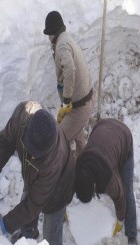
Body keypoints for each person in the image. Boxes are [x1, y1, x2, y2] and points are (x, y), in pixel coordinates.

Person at [0, 101, 75, 245]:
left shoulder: (53, 162)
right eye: (29, 149)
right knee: (27, 203)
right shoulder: (23, 115)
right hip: (34, 176)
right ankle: (28, 237)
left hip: (59, 189)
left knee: (51, 236)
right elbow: (6, 141)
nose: (30, 155)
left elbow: (32, 205)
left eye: (35, 155)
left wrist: (0, 227)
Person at [73, 118, 138, 245]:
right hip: (102, 127)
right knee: (113, 163)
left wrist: (120, 220)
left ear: (94, 184)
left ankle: (132, 235)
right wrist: (64, 211)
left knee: (126, 191)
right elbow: (69, 186)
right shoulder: (78, 167)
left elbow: (120, 198)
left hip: (123, 137)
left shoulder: (109, 179)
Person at [43, 11, 94, 156]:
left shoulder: (62, 46)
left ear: (53, 32)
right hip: (83, 101)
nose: (48, 38)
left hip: (79, 107)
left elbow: (70, 69)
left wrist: (66, 101)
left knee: (58, 142)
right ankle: (83, 162)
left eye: (48, 34)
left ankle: (64, 172)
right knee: (78, 137)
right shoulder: (66, 38)